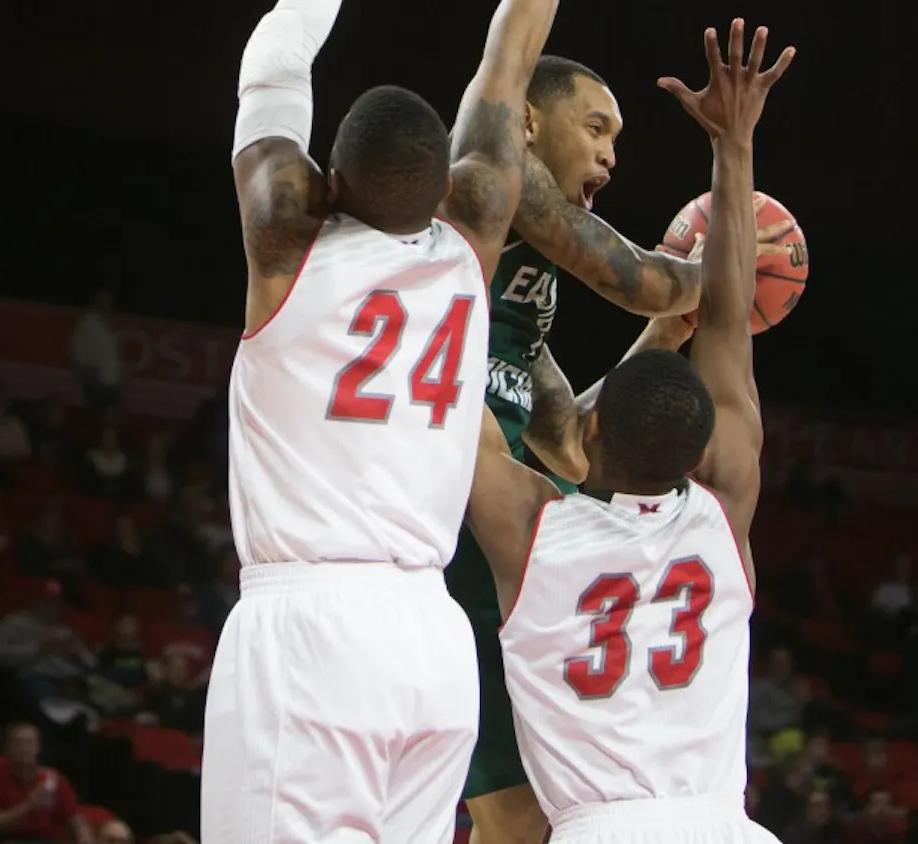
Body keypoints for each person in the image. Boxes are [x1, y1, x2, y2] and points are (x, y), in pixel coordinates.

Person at [201, 0, 558, 837]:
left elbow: (274, 66)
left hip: (310, 627)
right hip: (432, 644)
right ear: (441, 191)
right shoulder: (471, 240)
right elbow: (504, 72)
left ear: (329, 182)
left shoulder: (286, 246)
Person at [449, 53, 794, 844]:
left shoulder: (533, 273)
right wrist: (716, 262)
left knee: (511, 814)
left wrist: (665, 338)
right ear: (526, 121)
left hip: (492, 524)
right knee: (495, 809)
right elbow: (647, 279)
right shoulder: (494, 188)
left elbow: (571, 441)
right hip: (426, 524)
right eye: (596, 126)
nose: (611, 152)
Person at [0, 722, 93, 844]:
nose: (25, 748)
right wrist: (28, 805)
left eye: (30, 743)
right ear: (6, 749)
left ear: (38, 748)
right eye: (18, 743)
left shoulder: (53, 779)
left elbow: (74, 818)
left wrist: (84, 836)